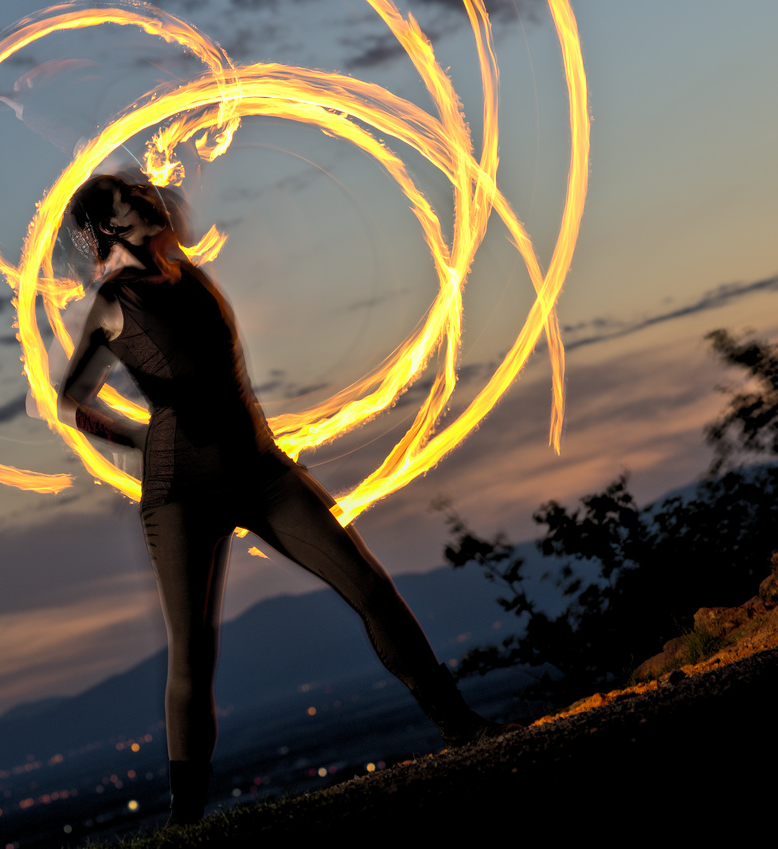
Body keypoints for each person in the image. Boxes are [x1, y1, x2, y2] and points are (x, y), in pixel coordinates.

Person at [52, 173, 515, 827]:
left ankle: (460, 724)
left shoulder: (190, 276)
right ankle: (188, 821)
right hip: (180, 492)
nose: (147, 201)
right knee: (193, 653)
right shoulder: (111, 301)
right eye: (130, 200)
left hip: (262, 471)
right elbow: (73, 400)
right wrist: (133, 437)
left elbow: (230, 377)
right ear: (106, 227)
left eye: (145, 195)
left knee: (370, 585)